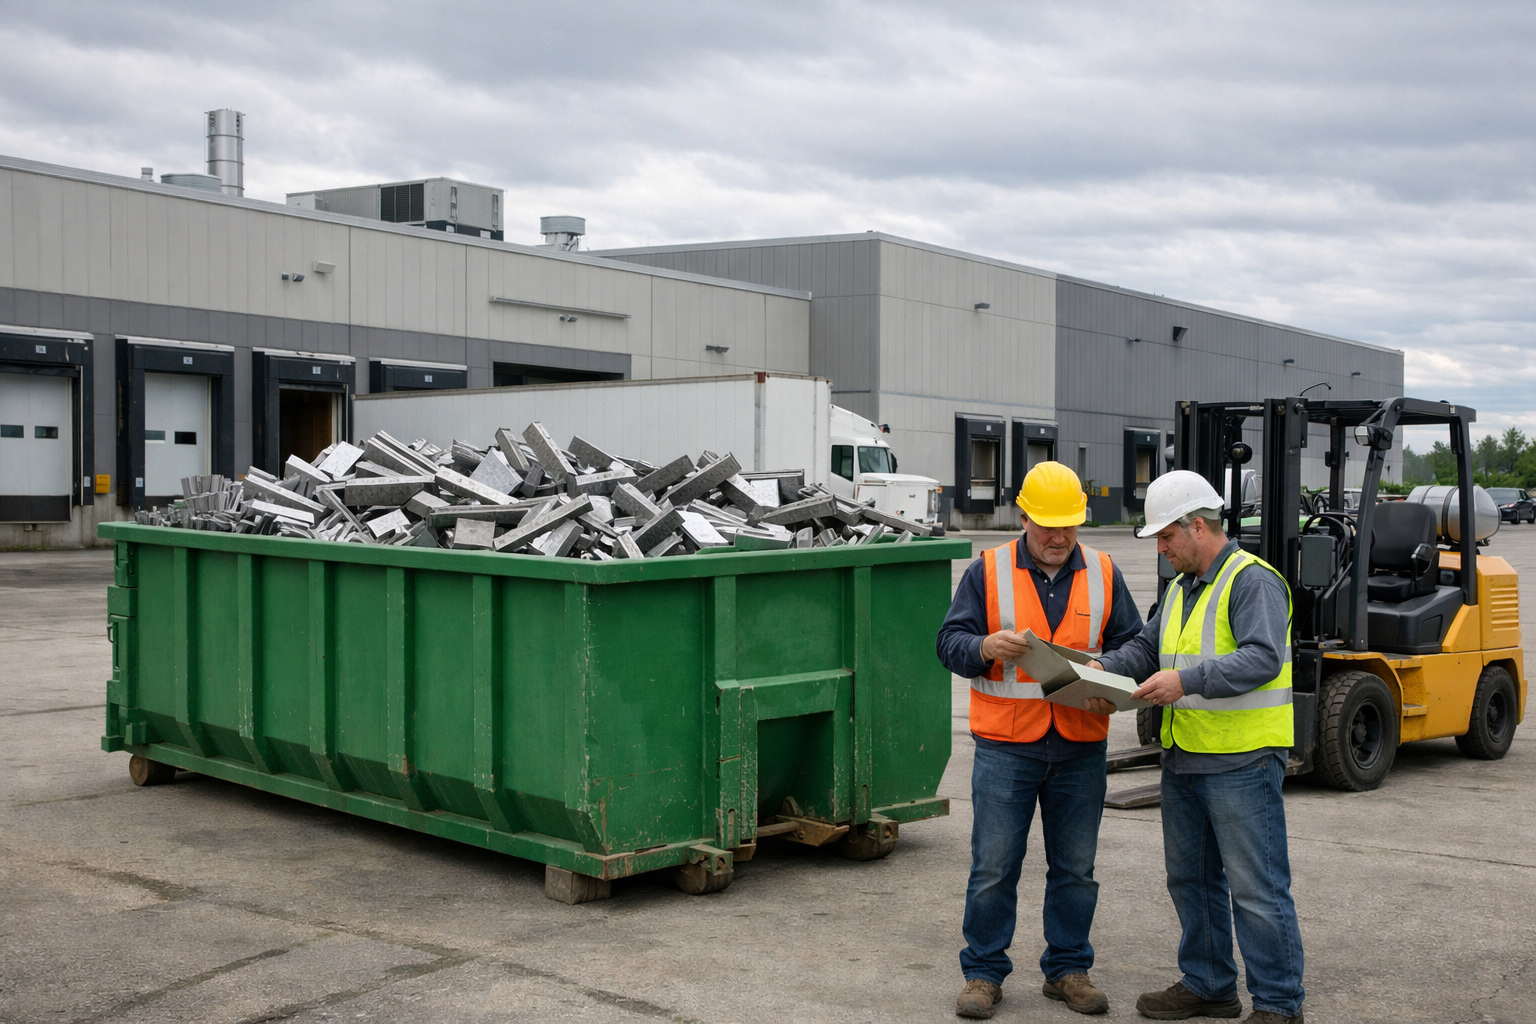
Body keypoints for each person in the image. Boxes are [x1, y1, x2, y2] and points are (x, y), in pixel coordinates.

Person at [1091, 470, 1305, 1024]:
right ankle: (1209, 983)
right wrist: (1100, 670)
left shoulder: (1250, 581)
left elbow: (1262, 657)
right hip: (1185, 754)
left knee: (1256, 887)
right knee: (1190, 879)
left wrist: (1187, 682)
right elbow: (1145, 644)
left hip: (1242, 761)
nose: (1161, 549)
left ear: (1198, 527)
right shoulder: (1183, 587)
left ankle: (1280, 1004)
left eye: (1165, 537)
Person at [936, 462, 1144, 1019]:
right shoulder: (989, 570)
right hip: (1007, 746)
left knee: (1076, 869)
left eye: (1068, 525)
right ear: (1023, 516)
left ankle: (1068, 969)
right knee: (993, 867)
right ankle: (983, 974)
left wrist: (1108, 667)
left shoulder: (1103, 571)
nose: (1058, 538)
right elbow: (948, 642)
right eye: (1047, 525)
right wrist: (982, 648)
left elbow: (1136, 643)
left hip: (1080, 745)